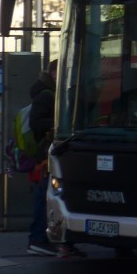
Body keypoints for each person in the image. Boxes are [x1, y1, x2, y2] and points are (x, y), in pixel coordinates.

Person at [26, 60, 84, 258]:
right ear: (53, 73)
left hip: (58, 151)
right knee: (45, 194)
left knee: (58, 195)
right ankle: (38, 239)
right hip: (47, 153)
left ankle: (63, 241)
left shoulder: (58, 93)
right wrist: (61, 122)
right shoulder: (46, 96)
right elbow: (37, 123)